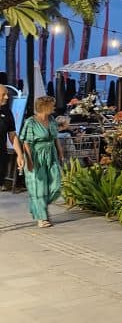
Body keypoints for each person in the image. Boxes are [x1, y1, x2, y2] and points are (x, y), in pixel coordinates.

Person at [20, 96, 64, 228]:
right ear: (45, 107)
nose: (54, 107)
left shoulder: (51, 120)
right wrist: (29, 160)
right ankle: (42, 217)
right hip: (36, 156)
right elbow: (26, 143)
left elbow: (56, 138)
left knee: (56, 184)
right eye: (52, 105)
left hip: (51, 155)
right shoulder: (30, 122)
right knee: (38, 188)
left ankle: (39, 204)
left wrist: (61, 153)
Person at [0, 86, 25, 191]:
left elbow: (12, 135)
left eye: (7, 94)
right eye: (3, 95)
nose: (6, 97)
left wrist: (19, 154)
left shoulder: (7, 112)